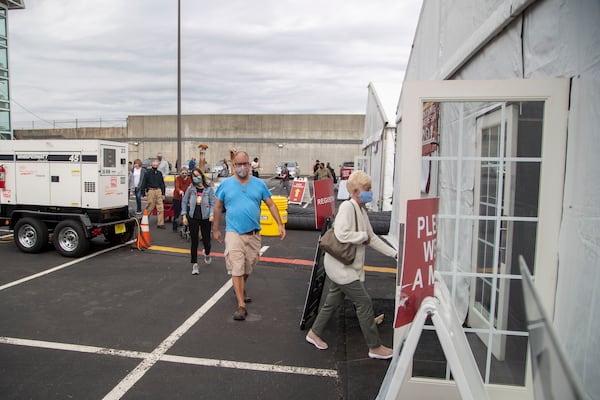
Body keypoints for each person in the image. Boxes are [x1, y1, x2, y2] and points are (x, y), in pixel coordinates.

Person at [305, 170, 397, 360]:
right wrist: (361, 237)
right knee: (363, 302)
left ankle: (313, 333)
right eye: (367, 188)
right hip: (341, 268)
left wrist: (395, 254)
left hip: (341, 266)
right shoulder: (348, 207)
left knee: (332, 302)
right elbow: (341, 234)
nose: (370, 192)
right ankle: (375, 347)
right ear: (356, 191)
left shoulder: (361, 210)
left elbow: (372, 238)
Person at [213, 151, 287, 321]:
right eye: (238, 164)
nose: (242, 167)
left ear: (250, 165)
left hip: (253, 233)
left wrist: (280, 224)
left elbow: (271, 204)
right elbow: (217, 207)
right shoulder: (226, 185)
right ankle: (241, 305)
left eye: (245, 163)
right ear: (234, 166)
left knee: (249, 266)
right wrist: (215, 228)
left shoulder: (259, 184)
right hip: (234, 233)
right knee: (237, 267)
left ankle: (239, 286)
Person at [182, 168, 216, 275]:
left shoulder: (209, 189)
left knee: (206, 240)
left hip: (205, 218)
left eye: (197, 176)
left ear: (201, 176)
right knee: (194, 241)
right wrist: (184, 216)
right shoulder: (191, 189)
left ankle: (207, 252)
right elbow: (184, 201)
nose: (196, 178)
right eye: (194, 176)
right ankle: (195, 264)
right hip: (193, 217)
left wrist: (211, 214)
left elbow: (213, 203)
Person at [140, 159, 166, 229]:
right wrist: (144, 194)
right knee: (149, 207)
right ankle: (144, 221)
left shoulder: (159, 173)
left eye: (156, 165)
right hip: (151, 190)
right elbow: (144, 183)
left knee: (160, 208)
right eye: (154, 164)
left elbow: (162, 184)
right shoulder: (147, 173)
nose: (155, 166)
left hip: (158, 190)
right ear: (151, 164)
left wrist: (163, 194)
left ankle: (160, 223)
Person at [173, 166, 192, 232]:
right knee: (177, 213)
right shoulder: (178, 178)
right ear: (180, 173)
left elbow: (191, 186)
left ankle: (186, 227)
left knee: (186, 213)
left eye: (185, 173)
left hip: (186, 198)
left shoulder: (189, 179)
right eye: (182, 173)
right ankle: (175, 227)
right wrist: (180, 191)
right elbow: (177, 186)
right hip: (177, 198)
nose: (184, 174)